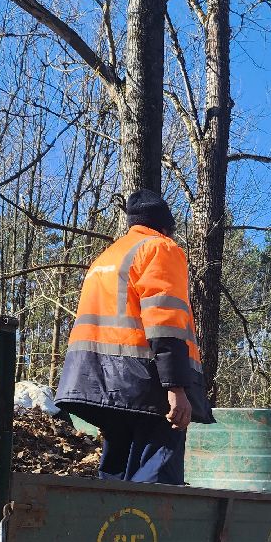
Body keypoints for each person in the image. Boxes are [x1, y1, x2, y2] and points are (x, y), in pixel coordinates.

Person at [56, 189, 214, 484]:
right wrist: (176, 389)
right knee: (156, 482)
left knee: (116, 476)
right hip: (144, 384)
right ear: (165, 227)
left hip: (96, 383)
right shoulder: (160, 248)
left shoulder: (108, 257)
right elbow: (165, 322)